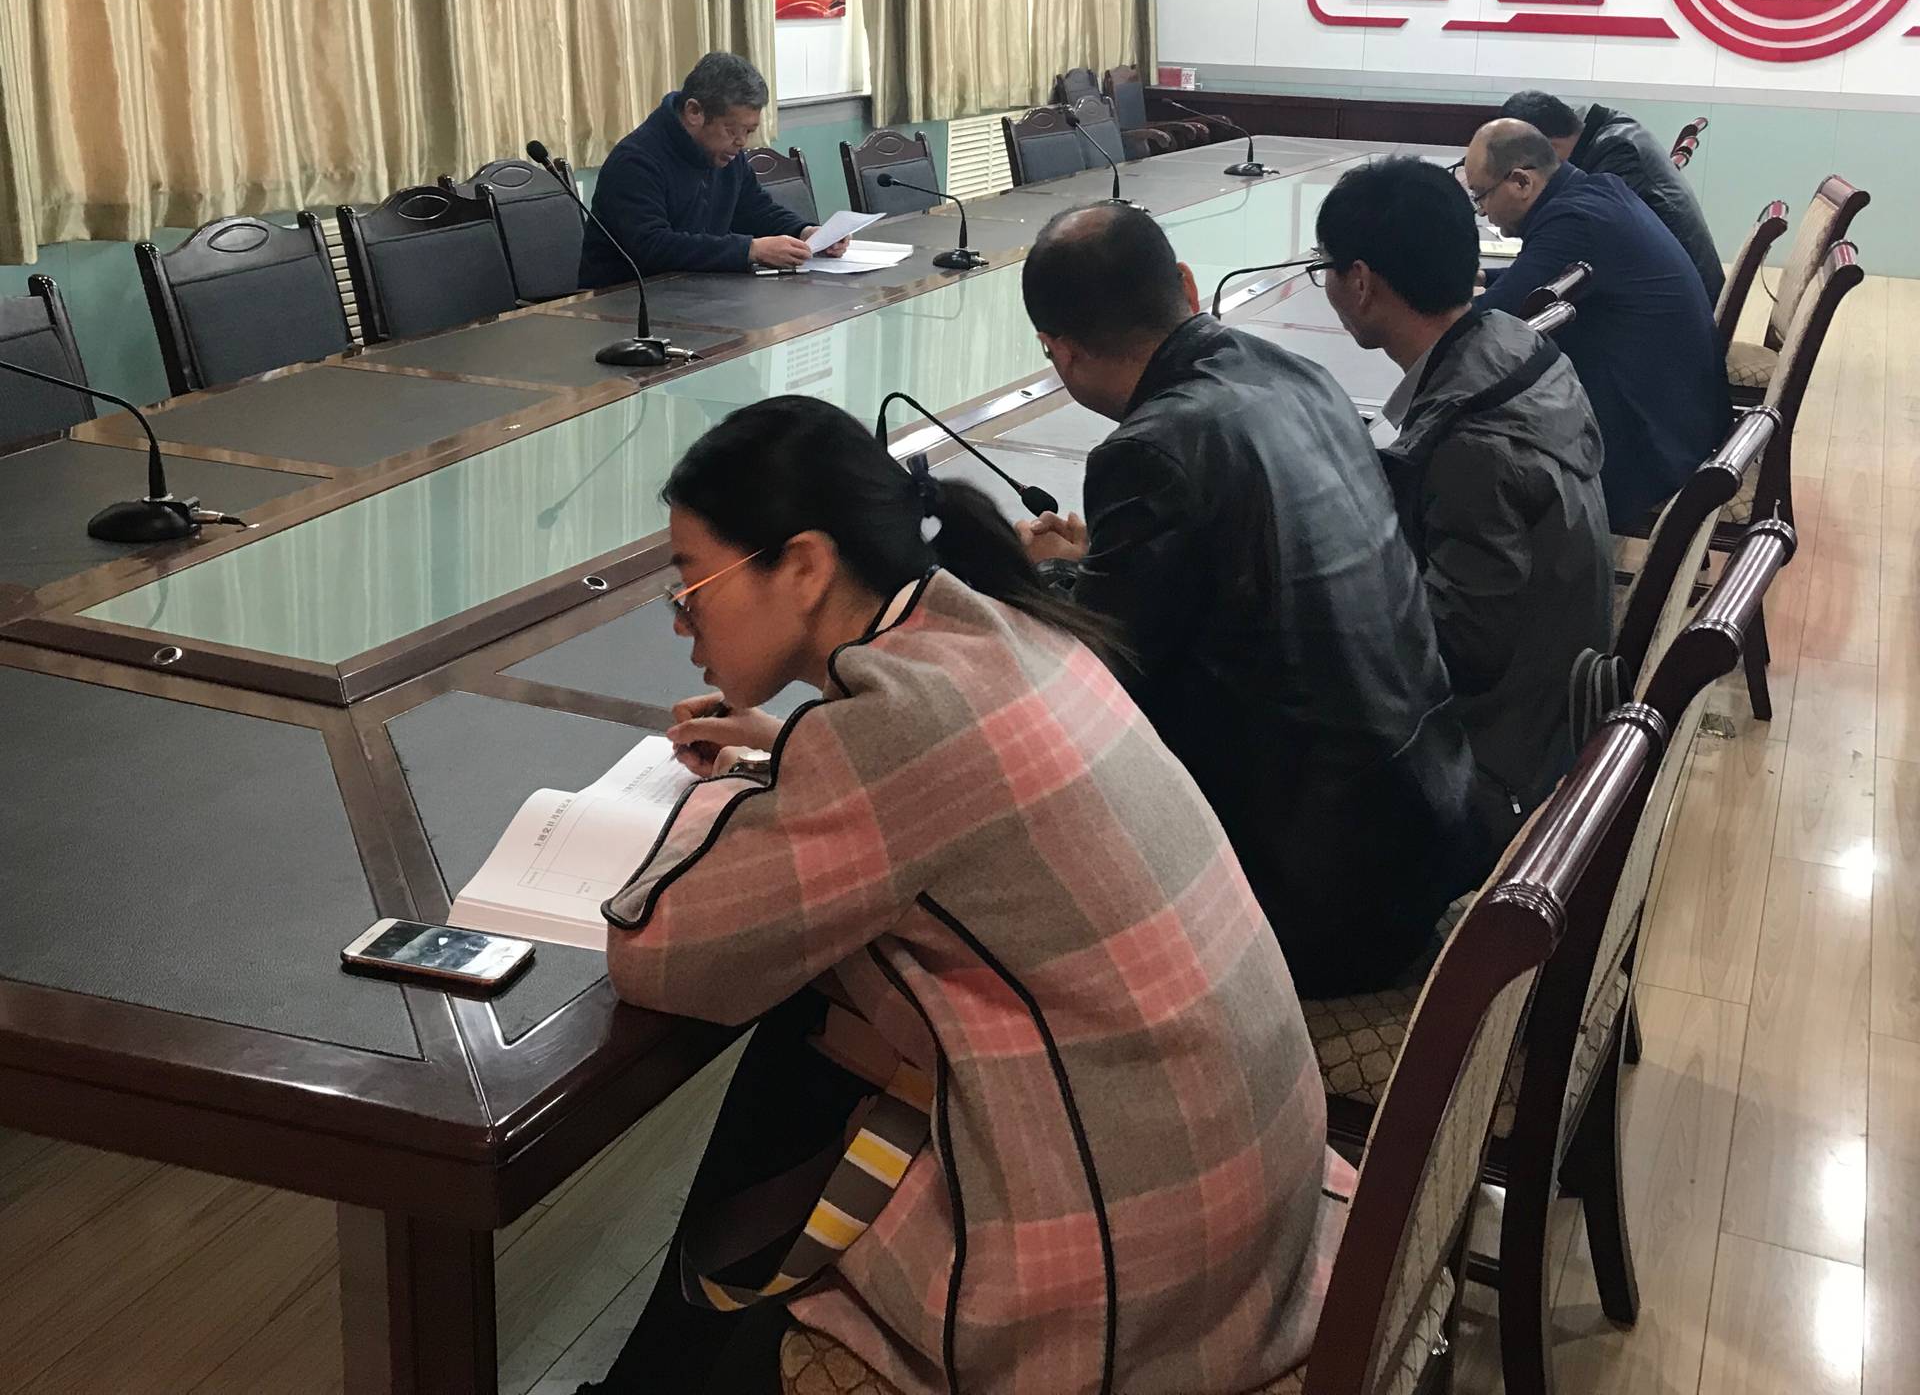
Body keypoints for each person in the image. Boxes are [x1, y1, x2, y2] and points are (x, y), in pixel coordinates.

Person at [587, 396, 1343, 1395]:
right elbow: (926, 788)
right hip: (1250, 1202)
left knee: (806, 1056)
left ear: (804, 566)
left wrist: (724, 792)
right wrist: (789, 758)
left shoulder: (895, 728)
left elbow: (661, 951)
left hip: (1136, 1294)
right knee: (819, 1032)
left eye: (693, 587)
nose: (685, 625)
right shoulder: (1002, 630)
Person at [1014, 203, 1486, 999]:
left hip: (1315, 900)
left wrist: (1026, 586)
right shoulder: (1295, 374)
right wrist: (1097, 564)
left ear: (1058, 349)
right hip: (1428, 819)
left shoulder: (1150, 451)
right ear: (1186, 285)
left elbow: (1096, 690)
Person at [1316, 156, 1612, 846]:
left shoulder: (1470, 446)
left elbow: (1451, 651)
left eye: (1323, 268)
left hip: (1500, 771)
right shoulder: (1515, 346)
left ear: (1360, 283)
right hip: (1555, 705)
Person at [1467, 119, 1730, 529]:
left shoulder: (1574, 221)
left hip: (1651, 450)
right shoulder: (1595, 192)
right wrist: (1482, 276)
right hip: (1686, 417)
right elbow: (1538, 281)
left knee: (1469, 468)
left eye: (1481, 196)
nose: (1482, 211)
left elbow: (1491, 321)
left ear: (1521, 182)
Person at [580, 51, 842, 281]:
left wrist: (803, 232)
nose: (741, 142)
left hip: (697, 290)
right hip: (625, 302)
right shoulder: (635, 161)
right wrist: (750, 250)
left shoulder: (726, 154)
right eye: (731, 130)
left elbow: (755, 210)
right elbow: (653, 246)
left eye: (749, 131)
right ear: (694, 112)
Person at [1500, 88, 1724, 306]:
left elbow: (1564, 252)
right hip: (1674, 294)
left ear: (1547, 148)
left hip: (1683, 308)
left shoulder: (1618, 155)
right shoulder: (1610, 128)